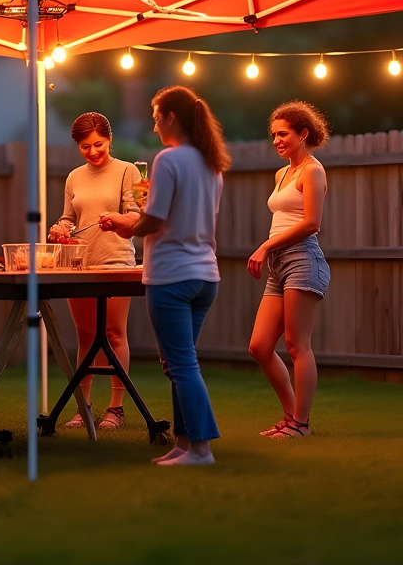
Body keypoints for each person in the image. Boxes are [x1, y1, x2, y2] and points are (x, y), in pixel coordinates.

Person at [101, 86, 230, 466]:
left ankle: (202, 449)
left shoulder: (169, 160)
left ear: (172, 117)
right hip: (206, 275)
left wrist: (128, 229)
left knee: (181, 365)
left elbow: (155, 218)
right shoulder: (211, 163)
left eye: (157, 118)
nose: (155, 126)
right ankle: (183, 443)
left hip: (172, 276)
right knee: (180, 361)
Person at [49, 112, 139, 430]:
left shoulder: (128, 171)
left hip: (116, 261)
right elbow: (67, 217)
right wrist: (58, 229)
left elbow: (137, 217)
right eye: (85, 147)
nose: (93, 152)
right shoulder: (74, 177)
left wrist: (117, 218)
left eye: (98, 144)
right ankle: (83, 406)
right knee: (85, 336)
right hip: (80, 264)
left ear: (109, 139)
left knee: (114, 334)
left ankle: (116, 409)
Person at [247, 101, 330, 439]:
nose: (276, 140)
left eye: (283, 134)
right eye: (273, 135)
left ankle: (301, 423)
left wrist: (266, 245)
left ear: (303, 133)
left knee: (297, 344)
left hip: (302, 259)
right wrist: (271, 251)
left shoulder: (313, 170)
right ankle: (290, 416)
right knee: (259, 346)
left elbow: (312, 222)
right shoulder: (281, 173)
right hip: (278, 265)